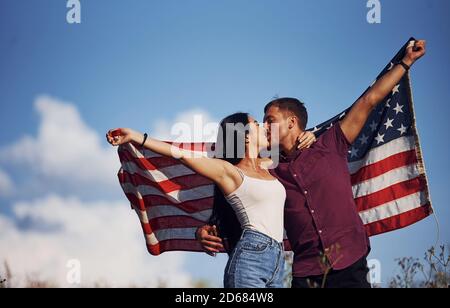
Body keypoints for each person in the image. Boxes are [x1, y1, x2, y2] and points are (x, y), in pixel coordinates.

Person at [198, 39, 426, 288]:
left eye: (269, 119)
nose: (264, 126)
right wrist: (208, 227)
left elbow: (368, 101)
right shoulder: (268, 170)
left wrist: (406, 62)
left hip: (350, 262)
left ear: (291, 122)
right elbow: (238, 187)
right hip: (305, 273)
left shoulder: (331, 143)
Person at [106, 112, 315, 288]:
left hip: (277, 262)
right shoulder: (229, 172)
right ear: (245, 136)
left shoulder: (270, 165)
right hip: (251, 258)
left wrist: (309, 136)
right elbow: (180, 154)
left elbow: (300, 150)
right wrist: (136, 136)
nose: (264, 128)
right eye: (257, 124)